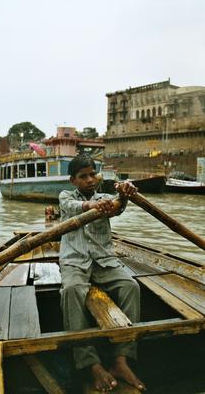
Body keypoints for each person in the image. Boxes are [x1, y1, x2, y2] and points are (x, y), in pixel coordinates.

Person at [59, 154, 146, 392]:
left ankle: (121, 359)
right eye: (83, 176)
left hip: (104, 261)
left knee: (131, 286)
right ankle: (90, 363)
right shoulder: (65, 196)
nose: (89, 180)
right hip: (75, 261)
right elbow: (73, 207)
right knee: (72, 290)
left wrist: (124, 194)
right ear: (73, 180)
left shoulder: (106, 199)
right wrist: (90, 206)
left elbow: (117, 208)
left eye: (92, 175)